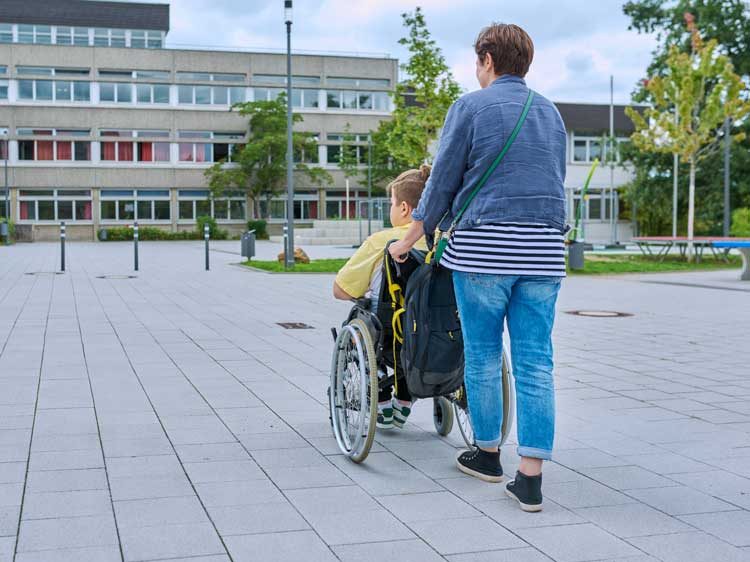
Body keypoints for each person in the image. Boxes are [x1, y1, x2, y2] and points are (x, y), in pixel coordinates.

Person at [388, 23, 567, 512]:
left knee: (484, 355)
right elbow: (556, 182)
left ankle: (487, 455)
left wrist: (408, 241)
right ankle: (530, 476)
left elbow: (442, 181)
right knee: (536, 361)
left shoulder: (469, 107)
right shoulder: (550, 113)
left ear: (488, 59)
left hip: (484, 252)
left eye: (477, 60)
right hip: (544, 254)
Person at [333, 165, 430, 430]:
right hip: (436, 330)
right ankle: (405, 398)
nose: (391, 209)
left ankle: (383, 396)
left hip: (389, 331)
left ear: (404, 209)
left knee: (360, 319)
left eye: (391, 203)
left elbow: (340, 289)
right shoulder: (440, 240)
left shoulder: (383, 241)